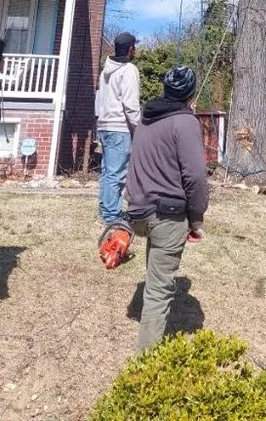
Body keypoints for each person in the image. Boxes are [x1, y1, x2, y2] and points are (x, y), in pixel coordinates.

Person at [126, 65, 209, 351]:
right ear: (190, 93)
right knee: (160, 292)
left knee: (155, 272)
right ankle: (144, 370)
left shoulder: (147, 120)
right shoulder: (185, 122)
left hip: (138, 212)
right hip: (166, 216)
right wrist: (196, 219)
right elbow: (196, 175)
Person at [95, 31, 141, 225]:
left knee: (108, 172)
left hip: (103, 126)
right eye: (135, 47)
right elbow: (130, 104)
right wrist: (139, 128)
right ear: (131, 50)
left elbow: (98, 100)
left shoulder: (105, 71)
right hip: (119, 128)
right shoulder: (129, 69)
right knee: (116, 174)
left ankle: (105, 210)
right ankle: (112, 217)